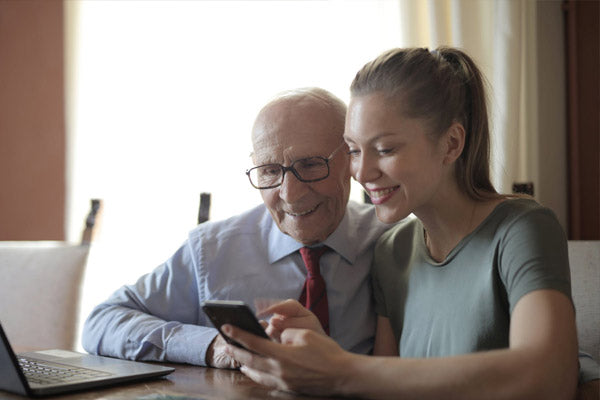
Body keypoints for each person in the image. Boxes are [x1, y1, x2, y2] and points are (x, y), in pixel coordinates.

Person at [223, 47, 598, 399]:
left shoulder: (522, 228)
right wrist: (322, 354)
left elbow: (551, 376)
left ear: (451, 143)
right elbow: (388, 384)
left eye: (385, 149)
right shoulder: (393, 249)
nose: (362, 172)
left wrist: (340, 369)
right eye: (353, 150)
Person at [81, 87, 391, 368]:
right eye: (270, 171)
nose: (289, 194)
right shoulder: (212, 250)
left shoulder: (395, 244)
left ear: (352, 159)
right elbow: (101, 322)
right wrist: (210, 345)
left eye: (310, 165)